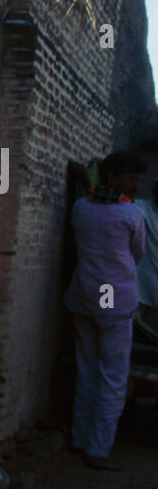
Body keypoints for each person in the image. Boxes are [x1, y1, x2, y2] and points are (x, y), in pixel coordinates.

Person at [63, 150, 147, 470]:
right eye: (130, 179)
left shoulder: (80, 208)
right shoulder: (131, 215)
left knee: (86, 371)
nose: (135, 186)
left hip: (83, 295)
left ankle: (79, 438)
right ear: (111, 178)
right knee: (113, 378)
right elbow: (137, 254)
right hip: (112, 299)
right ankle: (98, 450)